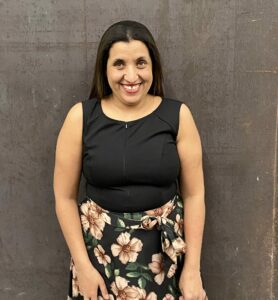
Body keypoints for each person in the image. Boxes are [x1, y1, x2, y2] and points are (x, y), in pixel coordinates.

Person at [53, 20, 207, 300]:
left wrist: (192, 269)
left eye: (140, 63)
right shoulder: (81, 118)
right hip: (99, 259)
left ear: (153, 67)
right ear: (105, 68)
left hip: (166, 261)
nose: (131, 75)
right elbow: (64, 198)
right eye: (119, 64)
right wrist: (84, 267)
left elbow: (195, 195)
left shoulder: (178, 116)